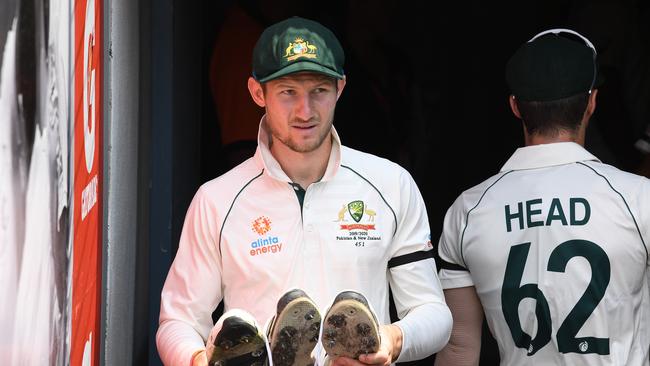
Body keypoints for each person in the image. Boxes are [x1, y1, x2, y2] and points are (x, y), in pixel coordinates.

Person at [156, 16, 452, 366]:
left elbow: (434, 313)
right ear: (257, 92)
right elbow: (178, 321)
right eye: (287, 92)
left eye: (319, 91)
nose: (305, 110)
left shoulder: (391, 185)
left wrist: (391, 339)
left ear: (340, 89)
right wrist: (196, 360)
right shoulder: (217, 199)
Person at [434, 28, 650, 366]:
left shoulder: (468, 210)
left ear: (515, 107)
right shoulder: (638, 198)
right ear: (592, 102)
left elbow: (459, 348)